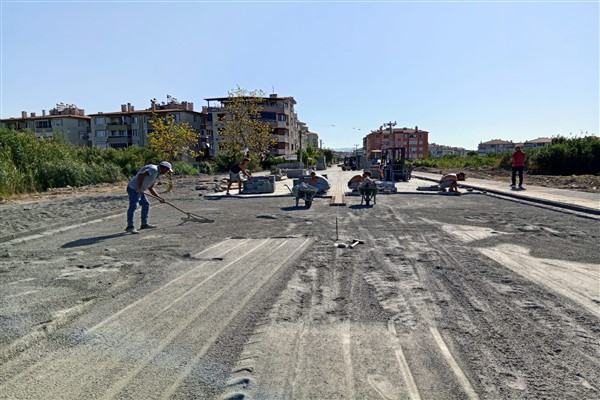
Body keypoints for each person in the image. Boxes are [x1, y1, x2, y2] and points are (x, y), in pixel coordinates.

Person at [125, 161, 172, 232]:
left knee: (146, 204)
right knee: (133, 205)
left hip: (140, 190)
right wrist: (139, 187)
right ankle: (130, 226)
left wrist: (159, 198)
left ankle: (144, 224)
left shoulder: (156, 174)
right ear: (164, 168)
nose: (167, 172)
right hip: (133, 188)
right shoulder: (153, 169)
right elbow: (141, 175)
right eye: (167, 170)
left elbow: (151, 188)